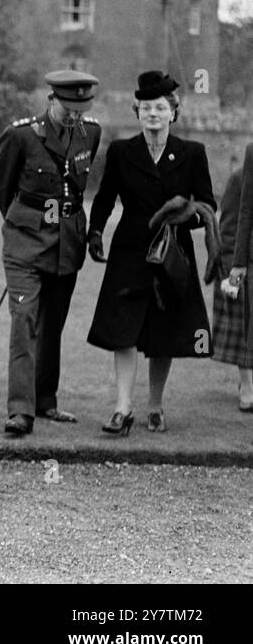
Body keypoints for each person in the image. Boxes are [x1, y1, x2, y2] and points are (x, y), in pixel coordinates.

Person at [87, 71, 215, 435]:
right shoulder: (122, 152)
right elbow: (106, 197)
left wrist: (185, 218)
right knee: (123, 329)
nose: (153, 114)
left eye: (160, 108)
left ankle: (155, 405)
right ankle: (122, 408)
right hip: (130, 249)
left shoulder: (193, 153)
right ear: (137, 112)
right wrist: (96, 231)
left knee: (165, 330)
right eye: (146, 108)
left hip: (172, 253)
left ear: (173, 113)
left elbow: (206, 204)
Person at [0, 69, 102, 437]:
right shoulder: (21, 135)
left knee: (53, 323)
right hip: (25, 244)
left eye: (80, 109)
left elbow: (77, 189)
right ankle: (20, 411)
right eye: (68, 107)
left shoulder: (92, 133)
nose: (74, 116)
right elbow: (1, 186)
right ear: (51, 99)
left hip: (68, 245)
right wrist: (25, 223)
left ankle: (45, 400)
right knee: (25, 320)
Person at [216, 152, 253, 411]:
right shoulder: (240, 179)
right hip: (247, 266)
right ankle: (248, 387)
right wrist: (232, 271)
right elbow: (229, 228)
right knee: (244, 330)